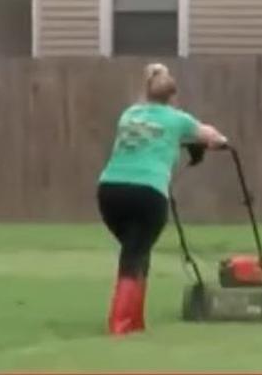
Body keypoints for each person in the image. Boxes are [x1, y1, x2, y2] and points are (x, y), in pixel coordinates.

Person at [97, 63, 228, 335]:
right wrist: (219, 141)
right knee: (135, 252)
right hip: (147, 193)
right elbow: (213, 138)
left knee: (135, 249)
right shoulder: (177, 119)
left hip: (110, 192)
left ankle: (135, 322)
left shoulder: (129, 114)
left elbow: (145, 137)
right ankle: (120, 324)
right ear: (173, 96)